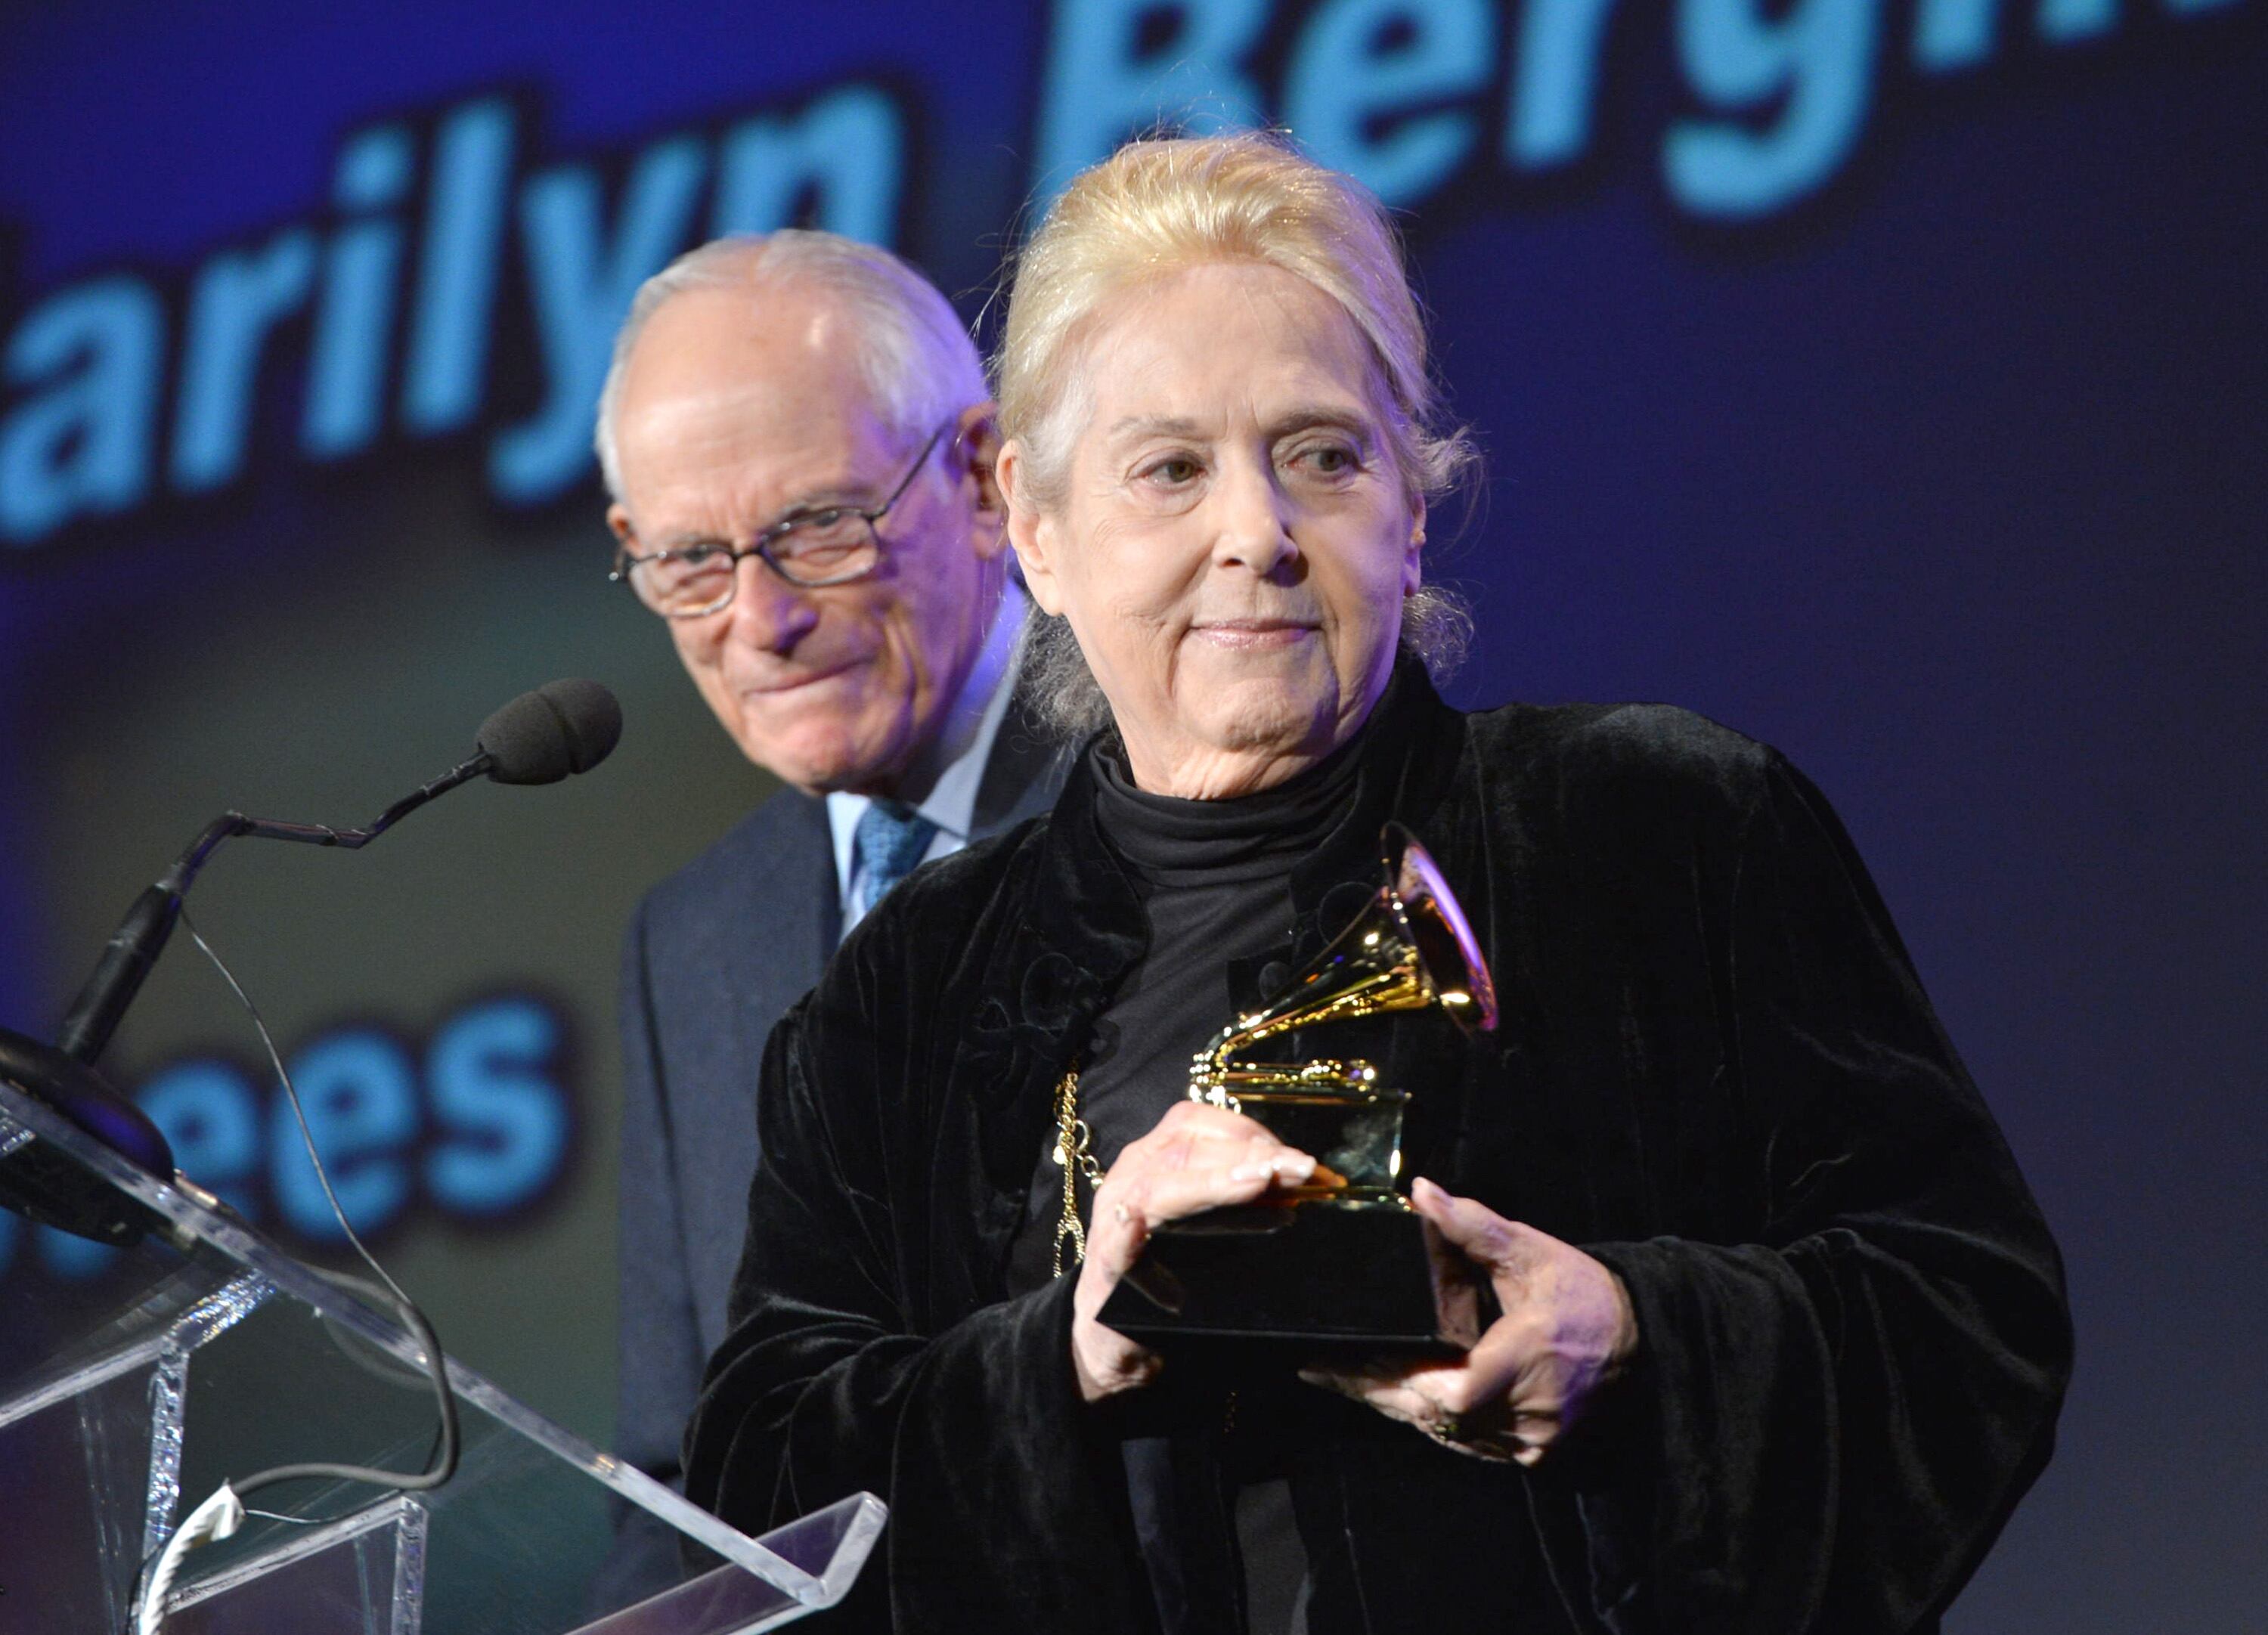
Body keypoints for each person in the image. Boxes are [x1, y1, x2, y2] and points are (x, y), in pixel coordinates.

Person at [683, 138, 2071, 1634]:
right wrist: (1066, 1358)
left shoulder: (1663, 828)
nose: (1257, 535)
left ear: (1411, 499)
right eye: (1169, 469)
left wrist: (1636, 1336)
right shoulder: (906, 994)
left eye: (1323, 454)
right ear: (1035, 525)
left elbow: (1965, 1313)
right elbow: (768, 1484)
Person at [594, 231, 1067, 1600]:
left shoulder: (1167, 777)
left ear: (984, 476)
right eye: (691, 559)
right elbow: (677, 1486)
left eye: (817, 525)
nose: (760, 619)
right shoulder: (692, 941)